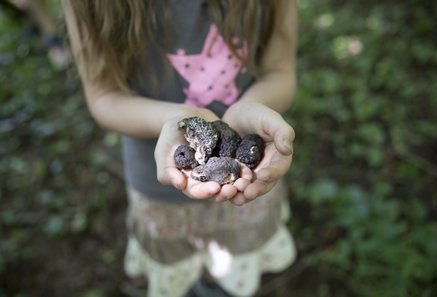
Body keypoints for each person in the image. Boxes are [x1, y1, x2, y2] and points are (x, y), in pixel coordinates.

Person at [61, 1, 298, 296]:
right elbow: (103, 96)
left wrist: (250, 107)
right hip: (158, 190)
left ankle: (214, 286)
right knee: (177, 267)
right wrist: (171, 118)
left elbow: (279, 71)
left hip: (250, 194)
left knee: (228, 267)